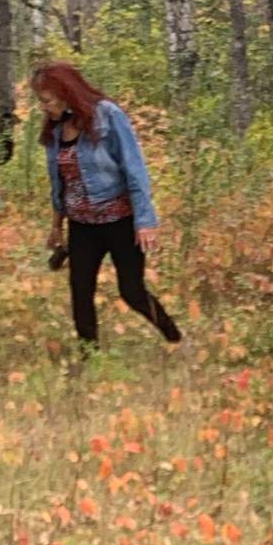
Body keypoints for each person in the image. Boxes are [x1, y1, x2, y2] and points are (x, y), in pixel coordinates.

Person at [31, 61, 182, 350]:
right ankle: (89, 355)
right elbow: (60, 183)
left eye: (46, 100)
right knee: (80, 291)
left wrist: (145, 221)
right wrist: (56, 226)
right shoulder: (56, 129)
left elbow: (134, 169)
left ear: (65, 93)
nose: (43, 107)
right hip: (82, 226)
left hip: (120, 222)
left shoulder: (108, 115)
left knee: (132, 291)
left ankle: (174, 337)